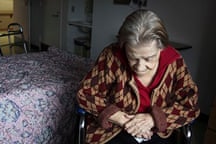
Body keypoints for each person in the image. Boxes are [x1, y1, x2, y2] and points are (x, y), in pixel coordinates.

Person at [76, 9, 200, 144]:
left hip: (158, 130)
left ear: (161, 48)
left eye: (149, 58)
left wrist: (154, 119)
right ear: (123, 46)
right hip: (114, 129)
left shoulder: (175, 62)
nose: (140, 67)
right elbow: (85, 93)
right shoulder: (111, 56)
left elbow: (190, 106)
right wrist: (119, 118)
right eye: (133, 57)